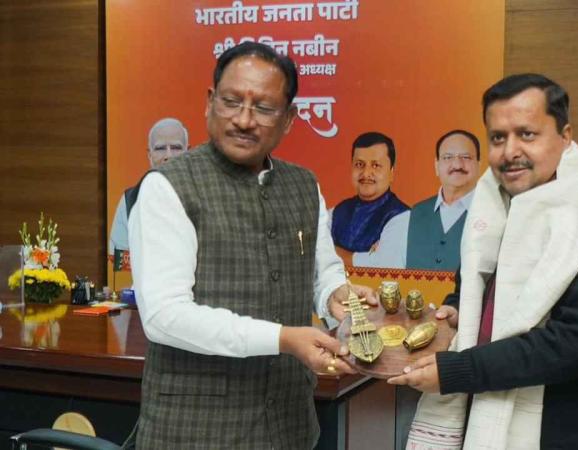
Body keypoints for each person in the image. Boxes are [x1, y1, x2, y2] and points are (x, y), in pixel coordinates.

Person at [389, 74, 578, 450]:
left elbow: (577, 343)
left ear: (565, 136)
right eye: (498, 138)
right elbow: (474, 285)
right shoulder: (497, 208)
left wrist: (458, 371)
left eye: (527, 134)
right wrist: (459, 310)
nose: (510, 151)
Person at [129, 42, 376, 449]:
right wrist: (283, 338)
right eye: (231, 102)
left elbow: (322, 270)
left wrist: (335, 294)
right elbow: (164, 316)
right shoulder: (167, 187)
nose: (244, 120)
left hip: (289, 428)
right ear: (210, 102)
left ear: (289, 119)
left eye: (263, 108)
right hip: (196, 433)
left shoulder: (303, 185)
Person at [352, 130, 480, 270]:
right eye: (448, 157)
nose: (457, 165)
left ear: (478, 165)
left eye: (466, 157)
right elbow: (382, 265)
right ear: (436, 166)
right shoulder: (410, 218)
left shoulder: (492, 215)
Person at [108, 117, 189, 257]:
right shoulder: (130, 200)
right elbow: (119, 260)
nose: (168, 156)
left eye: (176, 148)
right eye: (160, 148)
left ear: (188, 153)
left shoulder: (206, 196)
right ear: (149, 155)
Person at [330, 132, 409, 263]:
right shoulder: (338, 211)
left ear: (391, 173)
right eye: (359, 164)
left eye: (376, 165)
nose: (366, 173)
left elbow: (380, 266)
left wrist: (330, 252)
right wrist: (363, 258)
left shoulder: (403, 218)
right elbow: (311, 250)